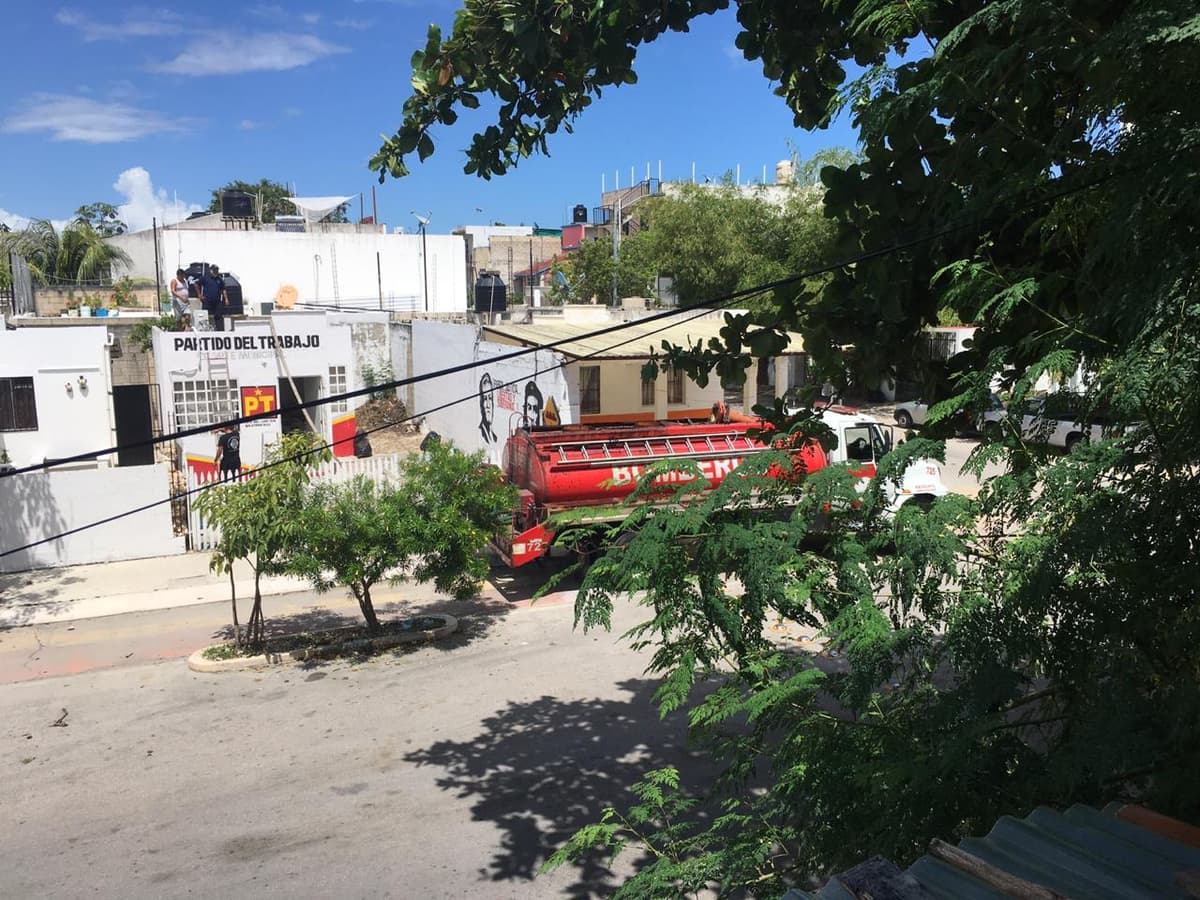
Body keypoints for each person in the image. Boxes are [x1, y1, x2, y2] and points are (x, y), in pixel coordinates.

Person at [200, 264, 228, 332]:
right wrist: (199, 295)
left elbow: (223, 289)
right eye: (215, 270)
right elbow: (196, 284)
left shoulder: (220, 279)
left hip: (217, 301)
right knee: (205, 316)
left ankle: (220, 331)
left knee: (218, 316)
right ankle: (205, 331)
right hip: (207, 301)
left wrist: (226, 298)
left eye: (217, 270)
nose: (216, 271)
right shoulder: (205, 278)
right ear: (211, 270)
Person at [478, 373, 497, 443]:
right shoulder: (481, 430)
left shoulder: (494, 436)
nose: (488, 405)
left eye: (490, 398)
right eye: (485, 399)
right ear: (481, 403)